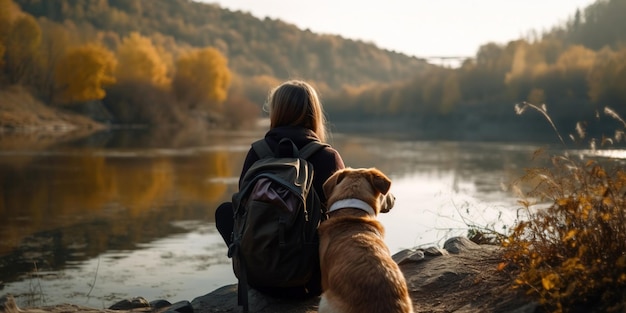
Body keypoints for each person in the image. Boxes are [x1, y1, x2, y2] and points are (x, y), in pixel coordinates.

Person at [214, 79, 345, 297]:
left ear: (276, 111)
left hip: (258, 280)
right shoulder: (327, 157)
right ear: (314, 112)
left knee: (225, 211)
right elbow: (342, 216)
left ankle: (253, 267)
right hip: (310, 284)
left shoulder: (257, 152)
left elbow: (241, 211)